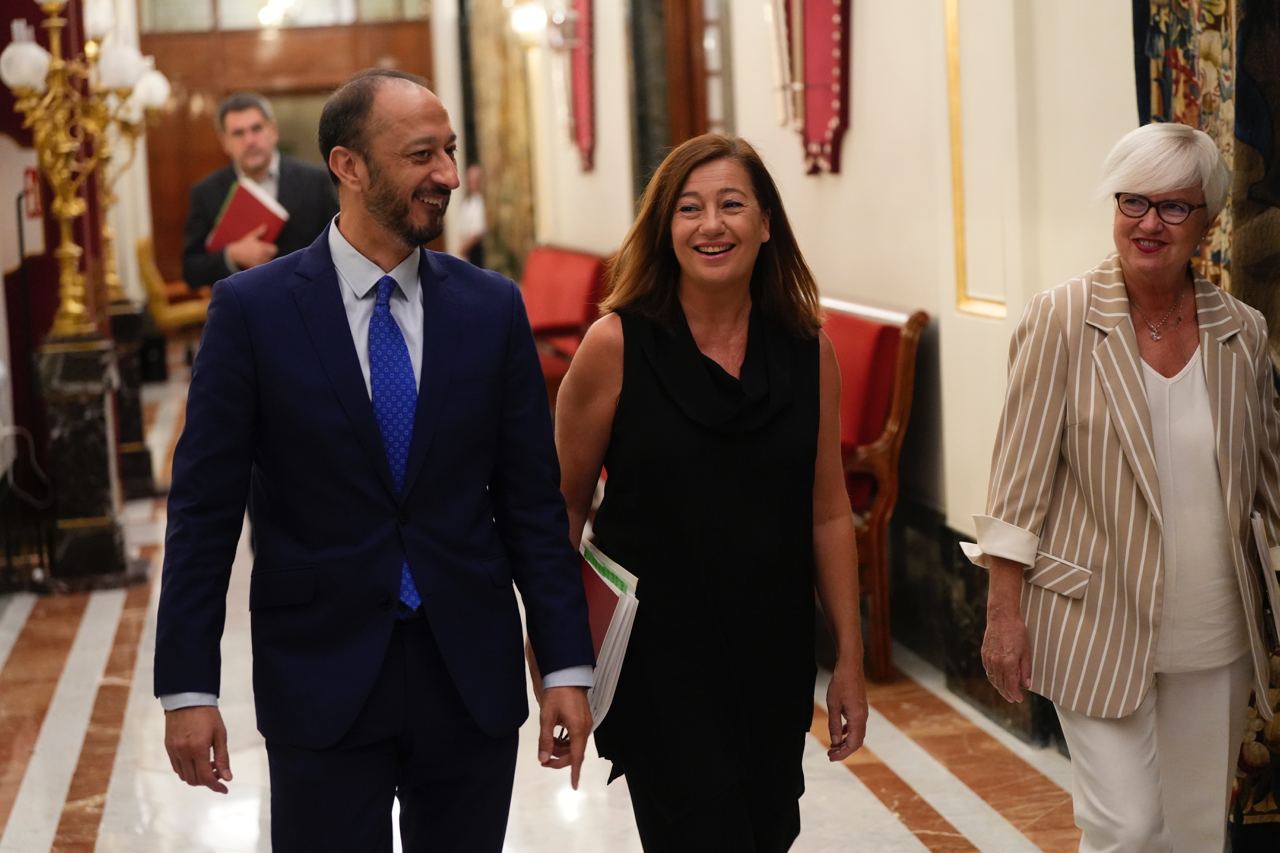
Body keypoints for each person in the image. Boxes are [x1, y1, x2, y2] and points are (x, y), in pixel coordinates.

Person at [154, 69, 595, 853]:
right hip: (320, 673)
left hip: (467, 675)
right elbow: (203, 510)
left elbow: (532, 502)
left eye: (451, 152)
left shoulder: (490, 308)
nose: (448, 176)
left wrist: (565, 664)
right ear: (348, 167)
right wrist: (188, 688)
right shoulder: (253, 313)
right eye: (422, 154)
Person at [965, 122, 1280, 851]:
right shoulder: (1062, 319)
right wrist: (1003, 615)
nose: (1149, 222)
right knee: (1127, 825)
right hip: (1094, 620)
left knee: (1198, 829)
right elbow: (1017, 483)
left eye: (1174, 206)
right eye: (1133, 201)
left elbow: (1267, 477)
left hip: (1214, 623)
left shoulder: (1243, 332)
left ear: (1206, 219)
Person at [554, 133, 869, 851]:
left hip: (772, 651)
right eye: (689, 208)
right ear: (665, 230)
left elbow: (827, 511)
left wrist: (847, 657)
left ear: (766, 224)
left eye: (732, 204)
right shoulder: (617, 345)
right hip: (659, 659)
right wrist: (558, 663)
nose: (711, 224)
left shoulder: (805, 349)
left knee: (767, 830)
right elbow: (563, 508)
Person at [181, 91, 338, 289]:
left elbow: (338, 248)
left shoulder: (317, 180)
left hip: (307, 301)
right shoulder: (205, 192)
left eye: (256, 129)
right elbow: (190, 270)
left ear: (273, 131)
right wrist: (231, 255)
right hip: (241, 311)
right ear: (224, 143)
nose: (250, 140)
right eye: (238, 133)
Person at [456, 162, 487, 268]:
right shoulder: (468, 203)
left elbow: (478, 232)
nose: (471, 183)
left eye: (474, 180)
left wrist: (465, 247)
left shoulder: (481, 203)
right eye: (470, 180)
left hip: (476, 251)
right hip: (467, 253)